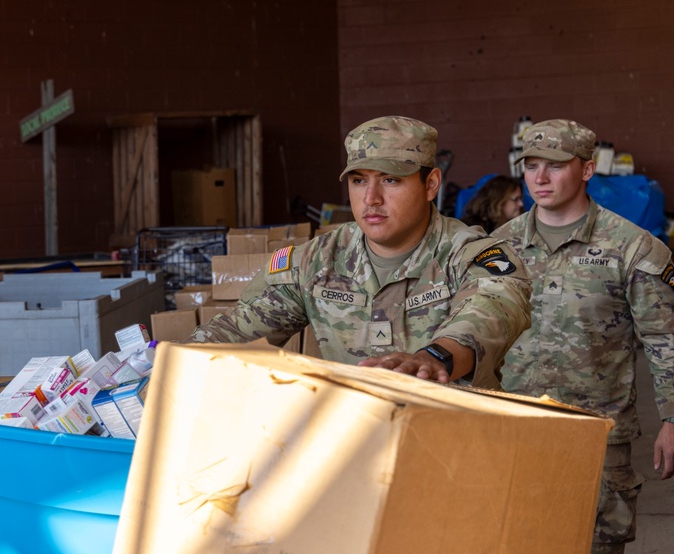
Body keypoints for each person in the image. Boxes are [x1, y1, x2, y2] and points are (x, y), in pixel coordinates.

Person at [491, 118, 674, 554]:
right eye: (531, 165)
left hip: (598, 437)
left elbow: (666, 340)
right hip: (515, 430)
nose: (540, 177)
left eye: (555, 165)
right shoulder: (498, 248)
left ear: (585, 169)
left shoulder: (633, 249)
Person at [188, 115, 532, 389]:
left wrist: (435, 357)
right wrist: (174, 359)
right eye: (358, 180)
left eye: (391, 180)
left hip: (456, 445)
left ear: (430, 184)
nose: (371, 198)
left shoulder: (469, 253)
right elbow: (237, 329)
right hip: (357, 444)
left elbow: (492, 309)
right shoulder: (318, 260)